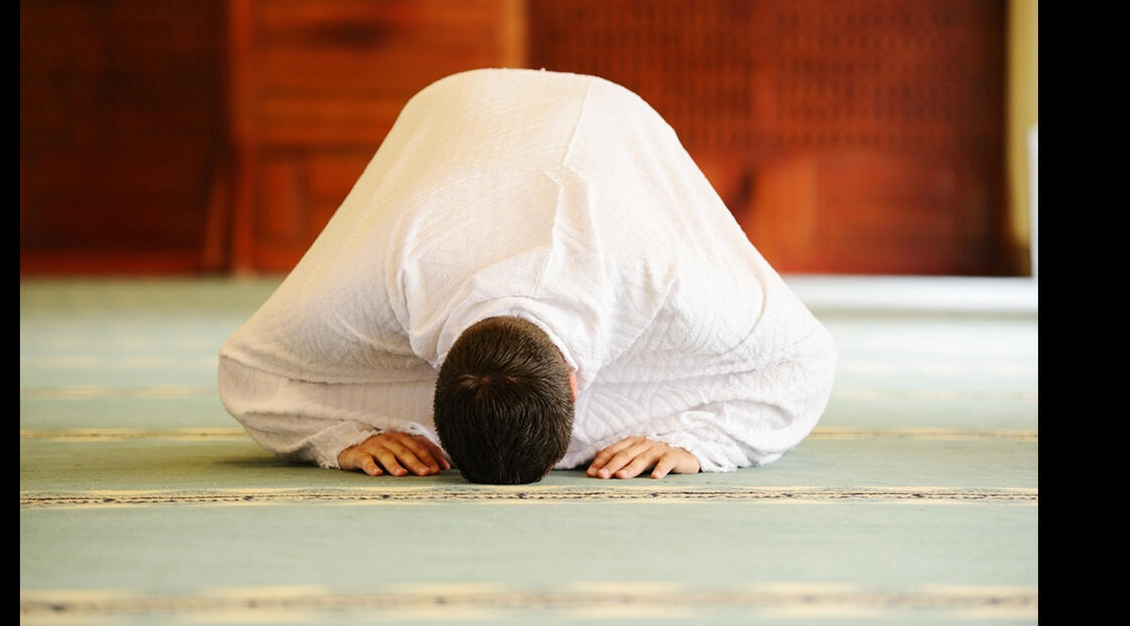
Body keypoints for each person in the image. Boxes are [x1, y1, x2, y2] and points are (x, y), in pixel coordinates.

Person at [218, 68, 836, 485]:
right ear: (433, 373)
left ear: (574, 382)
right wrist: (341, 442)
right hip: (450, 111)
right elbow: (247, 368)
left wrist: (700, 445)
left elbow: (805, 362)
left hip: (612, 118)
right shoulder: (387, 275)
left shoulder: (665, 278)